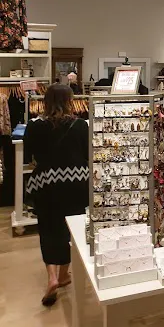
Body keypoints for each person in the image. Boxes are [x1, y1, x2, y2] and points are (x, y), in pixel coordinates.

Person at [24, 84, 89, 307]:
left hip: (46, 184)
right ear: (70, 101)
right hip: (77, 184)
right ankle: (63, 275)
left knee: (49, 229)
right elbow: (87, 154)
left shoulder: (34, 125)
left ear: (45, 102)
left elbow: (29, 156)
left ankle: (52, 277)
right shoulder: (80, 125)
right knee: (72, 230)